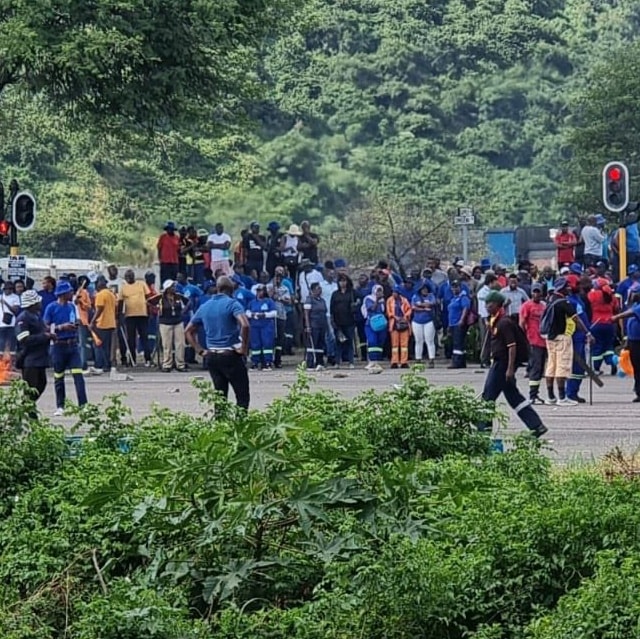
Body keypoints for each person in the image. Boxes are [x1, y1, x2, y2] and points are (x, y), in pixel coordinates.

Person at [477, 291, 548, 438]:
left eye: (489, 304)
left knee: (488, 398)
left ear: (497, 305)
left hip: (502, 365)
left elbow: (512, 346)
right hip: (498, 363)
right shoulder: (494, 321)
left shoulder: (505, 323)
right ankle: (536, 425)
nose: (487, 307)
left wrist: (510, 369)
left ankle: (482, 432)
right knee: (514, 397)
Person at [185, 276, 250, 410]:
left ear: (218, 288)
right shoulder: (232, 304)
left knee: (220, 397)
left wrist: (200, 350)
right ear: (231, 289)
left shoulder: (205, 306)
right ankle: (241, 427)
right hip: (230, 354)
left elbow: (188, 331)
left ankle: (220, 427)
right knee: (242, 396)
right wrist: (243, 348)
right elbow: (245, 325)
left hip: (212, 355)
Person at [543, 277, 593, 406]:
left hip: (550, 338)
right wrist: (587, 333)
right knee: (562, 367)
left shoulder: (550, 300)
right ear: (562, 288)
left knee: (551, 367)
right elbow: (577, 320)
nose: (569, 289)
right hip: (562, 337)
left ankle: (550, 397)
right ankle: (562, 397)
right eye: (567, 287)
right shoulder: (565, 303)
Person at [43, 280, 88, 416]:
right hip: (58, 346)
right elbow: (46, 326)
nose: (72, 293)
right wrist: (60, 327)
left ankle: (83, 405)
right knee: (59, 377)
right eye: (69, 292)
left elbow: (75, 320)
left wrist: (76, 324)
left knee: (78, 376)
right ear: (63, 294)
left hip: (72, 345)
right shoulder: (51, 308)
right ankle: (60, 406)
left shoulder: (71, 307)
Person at [15, 290, 53, 404]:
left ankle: (28, 410)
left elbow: (42, 330)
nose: (40, 303)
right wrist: (44, 336)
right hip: (29, 360)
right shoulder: (23, 318)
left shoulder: (36, 316)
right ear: (32, 304)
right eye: (38, 302)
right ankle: (26, 413)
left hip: (40, 359)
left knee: (41, 384)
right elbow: (24, 339)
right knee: (30, 390)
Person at [519, 283, 547, 404]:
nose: (536, 294)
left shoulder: (544, 306)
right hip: (533, 340)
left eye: (538, 292)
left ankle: (536, 393)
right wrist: (523, 338)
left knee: (540, 368)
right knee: (536, 368)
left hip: (544, 341)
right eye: (534, 292)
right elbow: (522, 323)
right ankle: (532, 395)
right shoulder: (527, 306)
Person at [119, 269, 152, 367]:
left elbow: (148, 298)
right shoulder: (123, 288)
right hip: (129, 316)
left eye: (130, 276)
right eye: (127, 277)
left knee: (144, 338)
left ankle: (148, 359)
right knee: (131, 339)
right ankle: (132, 359)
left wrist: (149, 312)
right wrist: (119, 315)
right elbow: (120, 302)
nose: (129, 278)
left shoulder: (141, 284)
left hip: (142, 314)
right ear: (125, 278)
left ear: (134, 276)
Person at [612, 288, 640, 402]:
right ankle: (638, 390)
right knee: (637, 367)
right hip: (633, 341)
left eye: (635, 293)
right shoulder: (634, 305)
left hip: (638, 341)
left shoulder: (636, 308)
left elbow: (631, 313)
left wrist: (616, 317)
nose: (633, 295)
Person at [588, 277, 618, 375]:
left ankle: (596, 369)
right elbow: (616, 308)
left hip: (597, 323)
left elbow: (588, 299)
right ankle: (613, 363)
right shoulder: (612, 296)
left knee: (597, 346)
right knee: (608, 346)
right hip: (609, 324)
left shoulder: (594, 294)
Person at [157, 279, 188, 372]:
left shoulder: (178, 297)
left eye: (174, 286)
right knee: (167, 345)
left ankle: (180, 364)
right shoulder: (161, 298)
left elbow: (187, 303)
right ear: (167, 288)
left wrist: (182, 312)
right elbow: (151, 303)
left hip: (178, 322)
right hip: (165, 323)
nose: (174, 288)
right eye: (172, 287)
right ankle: (167, 364)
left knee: (180, 344)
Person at [90, 275, 117, 373]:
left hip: (102, 323)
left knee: (98, 345)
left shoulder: (100, 295)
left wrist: (92, 321)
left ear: (99, 284)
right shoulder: (111, 294)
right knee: (107, 347)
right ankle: (107, 365)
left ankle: (99, 365)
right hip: (111, 323)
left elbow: (99, 309)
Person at [247, 284, 277, 370]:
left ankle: (268, 362)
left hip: (266, 326)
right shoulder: (252, 302)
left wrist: (264, 315)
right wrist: (252, 314)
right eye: (258, 291)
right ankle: (255, 363)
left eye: (261, 291)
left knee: (267, 344)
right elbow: (247, 312)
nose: (259, 292)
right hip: (255, 326)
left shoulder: (269, 301)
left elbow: (274, 313)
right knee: (255, 345)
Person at [330, 274, 356, 368]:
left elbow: (359, 300)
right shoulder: (335, 294)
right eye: (341, 281)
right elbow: (332, 308)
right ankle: (337, 362)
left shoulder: (352, 293)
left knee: (349, 342)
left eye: (344, 281)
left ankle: (351, 362)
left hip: (349, 321)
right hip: (338, 322)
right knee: (338, 342)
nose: (342, 283)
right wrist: (332, 320)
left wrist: (355, 305)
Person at [303, 282, 328, 370]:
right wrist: (308, 326)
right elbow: (306, 314)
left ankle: (319, 362)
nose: (320, 290)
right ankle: (310, 363)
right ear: (313, 290)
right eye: (318, 288)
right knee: (312, 344)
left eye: (320, 288)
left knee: (320, 345)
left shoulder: (322, 300)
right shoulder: (309, 299)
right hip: (313, 325)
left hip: (322, 325)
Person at [411, 281, 436, 368]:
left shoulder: (431, 296)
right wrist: (425, 308)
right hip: (417, 321)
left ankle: (431, 359)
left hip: (428, 321)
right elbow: (414, 307)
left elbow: (432, 303)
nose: (424, 290)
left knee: (429, 341)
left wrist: (421, 306)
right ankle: (418, 359)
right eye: (423, 289)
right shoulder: (415, 296)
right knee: (418, 341)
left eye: (426, 289)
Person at [447, 279, 471, 369]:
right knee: (457, 343)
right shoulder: (453, 298)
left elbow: (465, 308)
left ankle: (456, 362)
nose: (454, 289)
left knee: (458, 343)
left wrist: (462, 320)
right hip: (452, 323)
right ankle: (461, 362)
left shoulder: (463, 297)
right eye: (453, 287)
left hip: (459, 323)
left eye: (456, 287)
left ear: (460, 288)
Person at [387, 286, 411, 369]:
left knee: (404, 345)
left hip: (403, 323)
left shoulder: (404, 300)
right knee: (394, 345)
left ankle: (404, 361)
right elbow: (388, 311)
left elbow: (409, 309)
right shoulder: (389, 300)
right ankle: (394, 361)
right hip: (394, 324)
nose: (394, 294)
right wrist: (394, 316)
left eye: (395, 292)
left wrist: (405, 316)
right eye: (393, 292)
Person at [0, 280, 20, 358]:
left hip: (11, 323)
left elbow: (15, 310)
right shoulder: (0, 296)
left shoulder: (15, 297)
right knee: (1, 343)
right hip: (1, 324)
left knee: (11, 343)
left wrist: (5, 303)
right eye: (6, 289)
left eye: (9, 289)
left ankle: (12, 362)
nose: (7, 290)